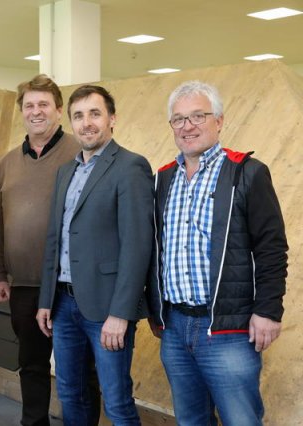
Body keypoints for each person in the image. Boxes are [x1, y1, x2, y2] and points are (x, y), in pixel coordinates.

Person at [146, 80, 288, 426]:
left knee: (241, 420)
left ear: (219, 121)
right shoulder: (163, 179)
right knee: (191, 420)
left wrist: (268, 311)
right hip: (175, 329)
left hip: (228, 330)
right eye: (179, 119)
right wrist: (155, 310)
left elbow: (271, 248)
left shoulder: (246, 172)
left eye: (198, 116)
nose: (187, 126)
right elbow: (153, 250)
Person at [37, 84, 154, 425]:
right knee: (70, 394)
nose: (86, 123)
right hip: (63, 305)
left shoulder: (130, 166)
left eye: (94, 114)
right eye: (78, 116)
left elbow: (137, 245)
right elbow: (55, 238)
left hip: (106, 308)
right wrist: (46, 300)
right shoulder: (66, 171)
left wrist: (121, 313)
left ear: (112, 118)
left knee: (116, 401)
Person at [0, 74, 101, 426]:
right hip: (24, 285)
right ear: (21, 111)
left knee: (80, 370)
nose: (36, 111)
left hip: (70, 286)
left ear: (58, 109)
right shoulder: (7, 163)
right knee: (32, 365)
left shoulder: (79, 153)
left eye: (43, 105)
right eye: (29, 105)